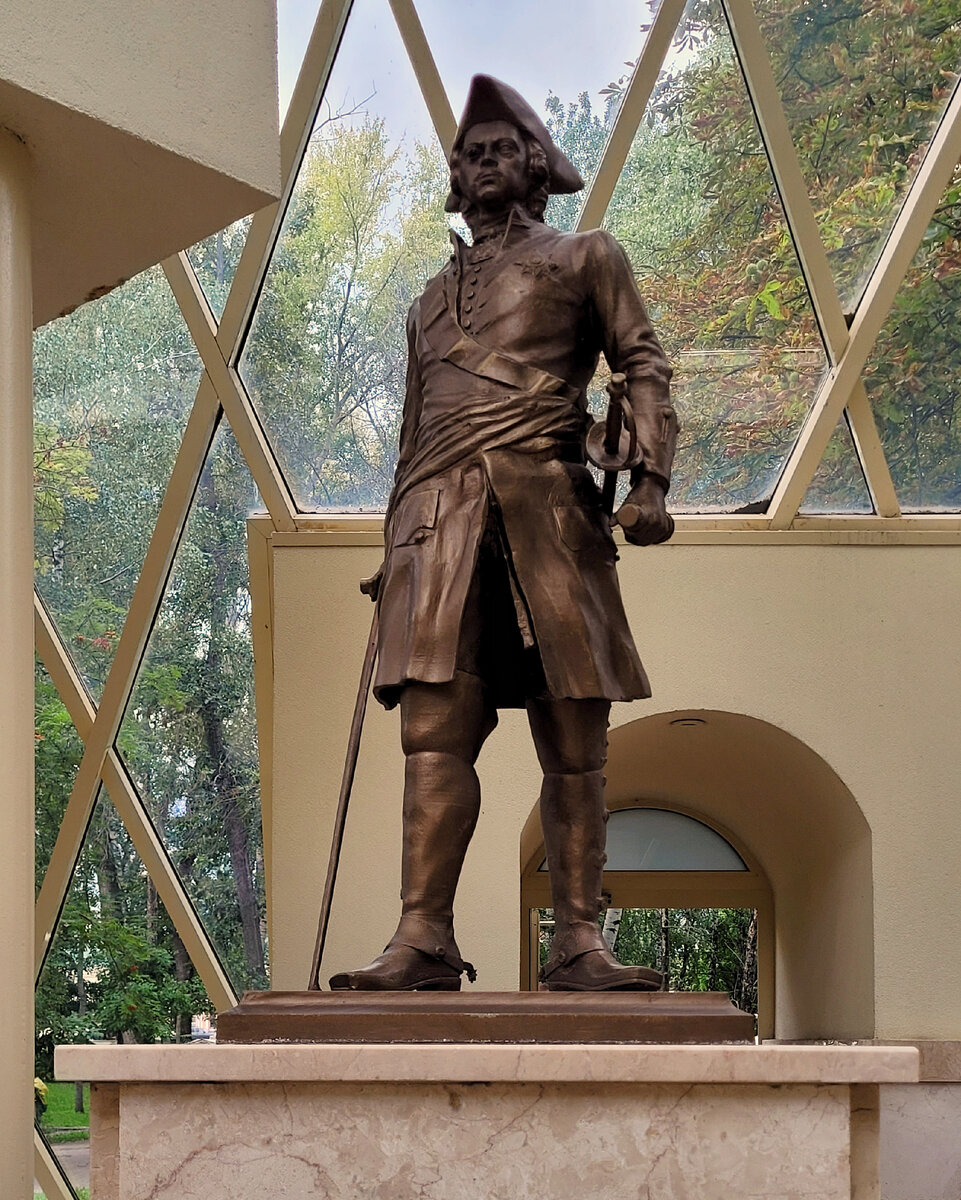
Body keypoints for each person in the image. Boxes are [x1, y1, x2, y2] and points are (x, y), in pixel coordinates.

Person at [329, 75, 677, 993]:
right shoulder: (426, 302)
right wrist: (391, 551)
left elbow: (641, 364)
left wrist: (650, 479)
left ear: (536, 165)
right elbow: (412, 436)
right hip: (436, 527)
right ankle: (422, 936)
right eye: (469, 153)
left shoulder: (585, 256)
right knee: (432, 733)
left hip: (550, 514)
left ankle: (578, 940)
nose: (483, 163)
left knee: (574, 738)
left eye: (500, 149)